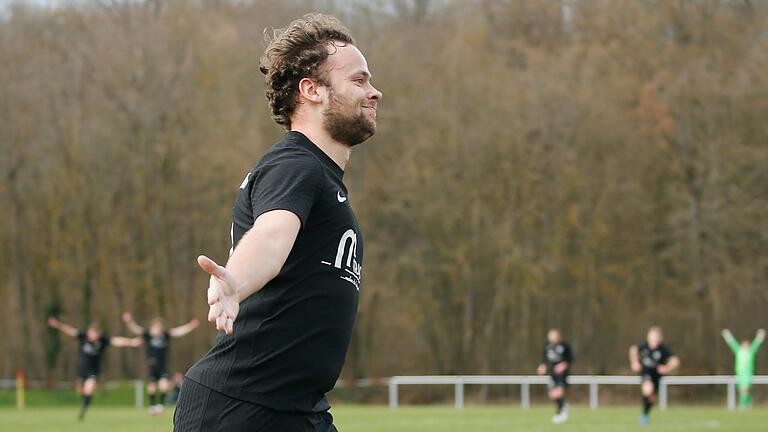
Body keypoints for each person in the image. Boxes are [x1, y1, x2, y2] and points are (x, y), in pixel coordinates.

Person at [173, 13, 381, 432]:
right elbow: (271, 235)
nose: (375, 92)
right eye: (358, 81)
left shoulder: (319, 177)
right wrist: (236, 279)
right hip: (240, 409)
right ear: (312, 91)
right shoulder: (295, 166)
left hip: (297, 410)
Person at [47, 317, 142, 420]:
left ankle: (83, 412)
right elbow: (70, 330)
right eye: (90, 333)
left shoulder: (102, 340)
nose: (90, 335)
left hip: (93, 371)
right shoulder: (83, 337)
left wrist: (132, 342)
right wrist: (57, 324)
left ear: (98, 334)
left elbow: (117, 341)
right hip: (81, 370)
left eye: (93, 333)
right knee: (82, 391)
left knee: (89, 388)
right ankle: (85, 403)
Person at [122, 312, 199, 414]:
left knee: (164, 386)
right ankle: (152, 406)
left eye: (159, 327)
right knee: (152, 388)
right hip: (152, 365)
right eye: (155, 327)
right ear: (152, 328)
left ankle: (160, 406)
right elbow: (135, 329)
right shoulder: (148, 335)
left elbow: (178, 331)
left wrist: (190, 326)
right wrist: (129, 321)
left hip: (162, 365)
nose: (157, 329)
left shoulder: (165, 335)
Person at [629, 326, 680, 426]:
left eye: (657, 337)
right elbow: (633, 349)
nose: (654, 339)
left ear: (660, 338)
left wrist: (667, 368)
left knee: (651, 399)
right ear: (648, 337)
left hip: (657, 377)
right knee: (648, 389)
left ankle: (644, 415)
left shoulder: (663, 349)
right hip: (645, 374)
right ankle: (644, 417)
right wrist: (634, 362)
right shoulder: (643, 346)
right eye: (653, 337)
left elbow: (675, 360)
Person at [722, 328, 765, 410]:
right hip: (739, 373)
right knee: (742, 391)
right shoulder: (738, 350)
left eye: (747, 344)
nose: (746, 345)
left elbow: (757, 343)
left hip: (748, 373)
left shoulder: (751, 351)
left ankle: (743, 405)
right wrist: (727, 335)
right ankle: (749, 402)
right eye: (744, 344)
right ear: (741, 345)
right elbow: (732, 343)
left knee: (744, 390)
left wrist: (760, 335)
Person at [536, 329, 573, 424]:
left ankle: (561, 413)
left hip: (562, 375)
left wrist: (563, 364)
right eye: (550, 337)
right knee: (552, 395)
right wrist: (542, 366)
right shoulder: (547, 346)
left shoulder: (565, 346)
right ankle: (564, 407)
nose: (552, 339)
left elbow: (571, 359)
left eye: (553, 337)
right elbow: (544, 358)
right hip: (552, 374)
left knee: (558, 393)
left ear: (558, 337)